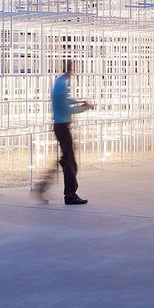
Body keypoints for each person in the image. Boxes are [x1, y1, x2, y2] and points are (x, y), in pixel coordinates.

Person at [35, 61, 94, 205]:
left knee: (65, 161)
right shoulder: (62, 85)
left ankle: (42, 187)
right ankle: (70, 195)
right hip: (62, 127)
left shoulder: (60, 82)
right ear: (70, 70)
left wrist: (79, 102)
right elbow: (64, 107)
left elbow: (65, 101)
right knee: (71, 164)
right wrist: (84, 108)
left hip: (61, 126)